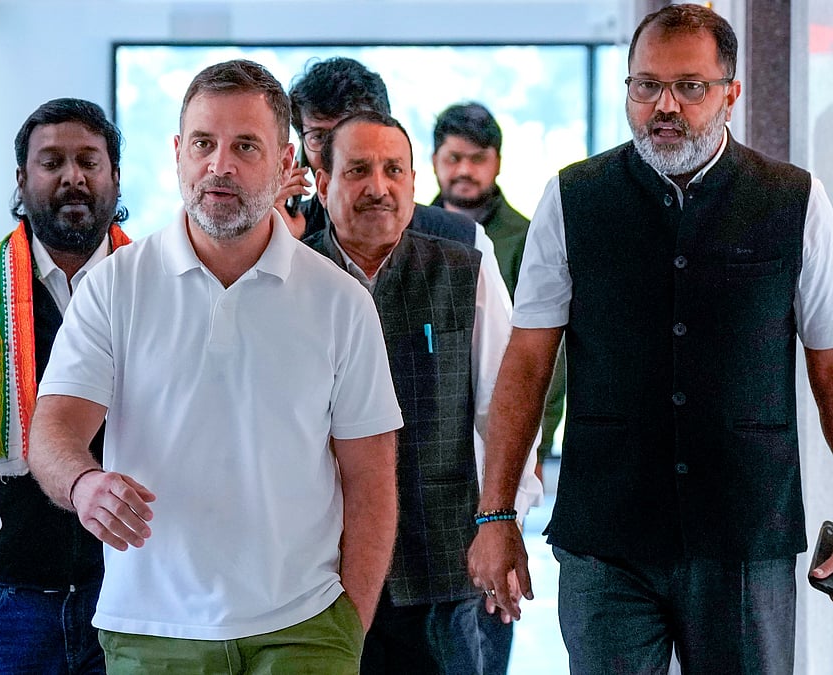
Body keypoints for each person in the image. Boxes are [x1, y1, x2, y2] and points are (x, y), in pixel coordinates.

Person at [467, 5, 833, 674]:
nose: (665, 106)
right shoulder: (572, 197)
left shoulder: (795, 201)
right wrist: (497, 515)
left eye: (690, 87)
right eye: (647, 85)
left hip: (746, 533)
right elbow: (526, 360)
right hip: (606, 534)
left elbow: (830, 365)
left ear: (731, 93)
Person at [26, 59, 403, 673]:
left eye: (245, 146)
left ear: (286, 164)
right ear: (178, 153)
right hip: (150, 629)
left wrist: (347, 630)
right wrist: (82, 482)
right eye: (203, 143)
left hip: (304, 626)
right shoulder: (115, 287)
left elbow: (372, 482)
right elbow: (53, 430)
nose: (219, 165)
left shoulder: (340, 301)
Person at [307, 111, 540, 675]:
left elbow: (501, 408)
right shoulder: (290, 276)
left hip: (438, 560)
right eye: (358, 170)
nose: (379, 188)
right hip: (315, 570)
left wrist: (502, 520)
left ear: (415, 181)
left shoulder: (464, 267)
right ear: (322, 183)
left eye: (394, 170)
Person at [0, 98, 131, 675]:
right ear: (22, 179)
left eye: (89, 161)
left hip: (131, 593)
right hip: (5, 600)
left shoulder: (157, 285)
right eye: (52, 162)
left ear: (115, 176)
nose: (73, 177)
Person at [431, 102, 565, 480]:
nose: (464, 171)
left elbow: (550, 351)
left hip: (504, 428)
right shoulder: (410, 234)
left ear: (498, 162)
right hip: (426, 427)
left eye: (478, 159)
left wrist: (538, 443)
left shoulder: (527, 239)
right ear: (434, 160)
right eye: (454, 157)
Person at [279, 57, 477, 249]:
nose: (335, 153)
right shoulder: (285, 231)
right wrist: (278, 245)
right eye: (319, 137)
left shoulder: (460, 237)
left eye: (352, 133)